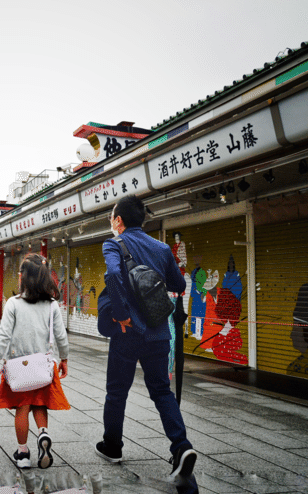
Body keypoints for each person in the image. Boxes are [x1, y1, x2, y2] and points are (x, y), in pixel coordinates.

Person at [96, 195, 196, 481]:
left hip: (128, 333)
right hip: (158, 334)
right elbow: (178, 284)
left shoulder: (114, 243)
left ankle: (112, 446)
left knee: (117, 392)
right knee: (162, 392)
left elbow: (114, 274)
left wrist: (122, 313)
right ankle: (181, 447)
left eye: (112, 218)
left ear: (119, 221)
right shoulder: (162, 248)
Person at [0, 254, 70, 470]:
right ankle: (43, 434)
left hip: (19, 366)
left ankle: (23, 453)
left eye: (20, 273)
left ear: (24, 277)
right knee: (40, 405)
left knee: (22, 409)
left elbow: (4, 335)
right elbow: (61, 336)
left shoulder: (13, 303)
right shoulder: (52, 306)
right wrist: (64, 359)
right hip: (44, 365)